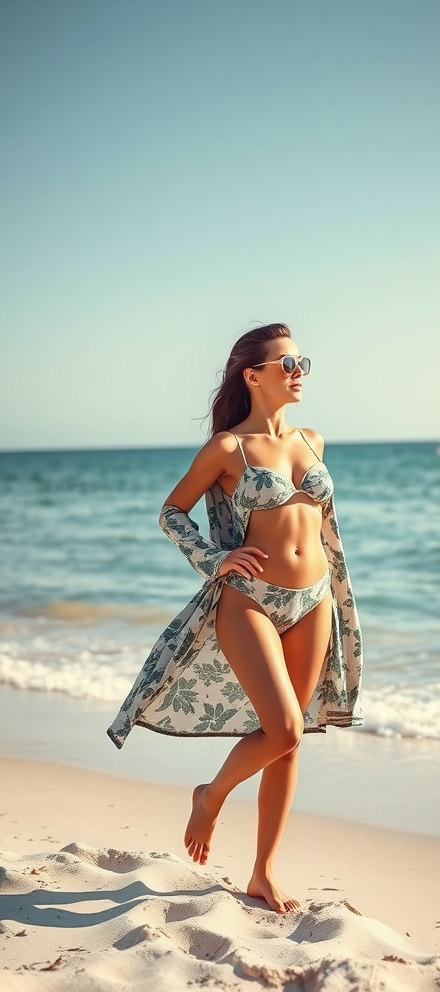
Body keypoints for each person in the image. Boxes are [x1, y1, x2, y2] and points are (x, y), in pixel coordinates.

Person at [107, 323, 363, 913]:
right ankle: (211, 793)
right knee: (285, 728)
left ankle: (263, 874)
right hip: (249, 598)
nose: (299, 371)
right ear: (253, 375)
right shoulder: (228, 449)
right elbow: (173, 514)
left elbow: (323, 528)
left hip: (313, 598)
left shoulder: (313, 440)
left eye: (303, 361)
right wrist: (216, 560)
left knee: (288, 743)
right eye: (287, 362)